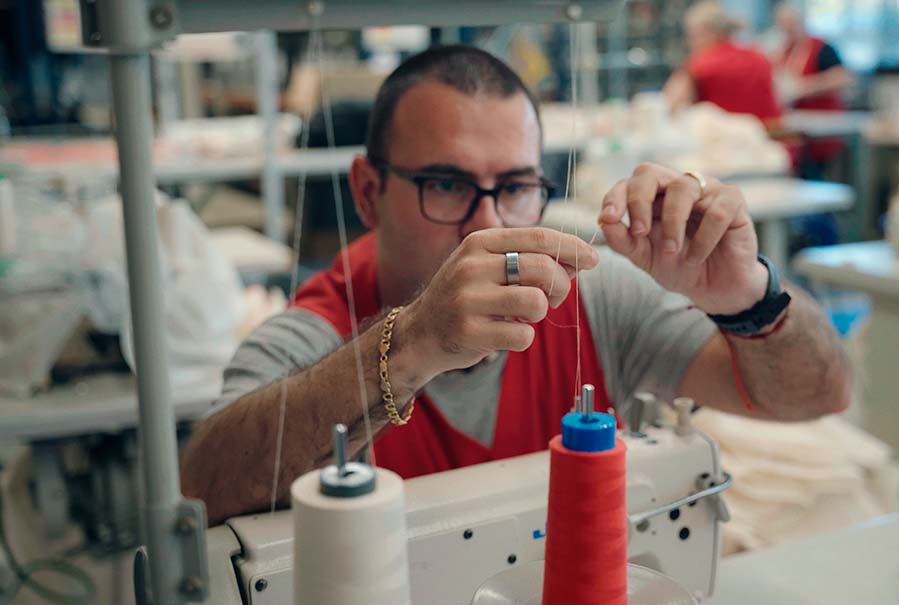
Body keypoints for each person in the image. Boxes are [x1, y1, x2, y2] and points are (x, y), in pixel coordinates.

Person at [180, 45, 851, 525]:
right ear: (367, 191)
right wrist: (411, 344)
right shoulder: (321, 332)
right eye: (446, 184)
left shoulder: (591, 300)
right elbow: (203, 490)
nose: (488, 226)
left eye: (517, 188)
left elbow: (816, 396)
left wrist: (749, 299)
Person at [662, 1, 782, 125]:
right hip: (770, 138)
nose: (687, 43)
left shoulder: (700, 65)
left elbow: (669, 105)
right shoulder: (759, 57)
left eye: (691, 36)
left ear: (706, 33)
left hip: (724, 140)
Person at [771, 2, 853, 176]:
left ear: (802, 21)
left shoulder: (822, 48)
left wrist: (805, 88)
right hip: (798, 130)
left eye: (791, 24)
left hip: (823, 130)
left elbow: (843, 78)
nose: (788, 30)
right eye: (784, 26)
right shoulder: (784, 52)